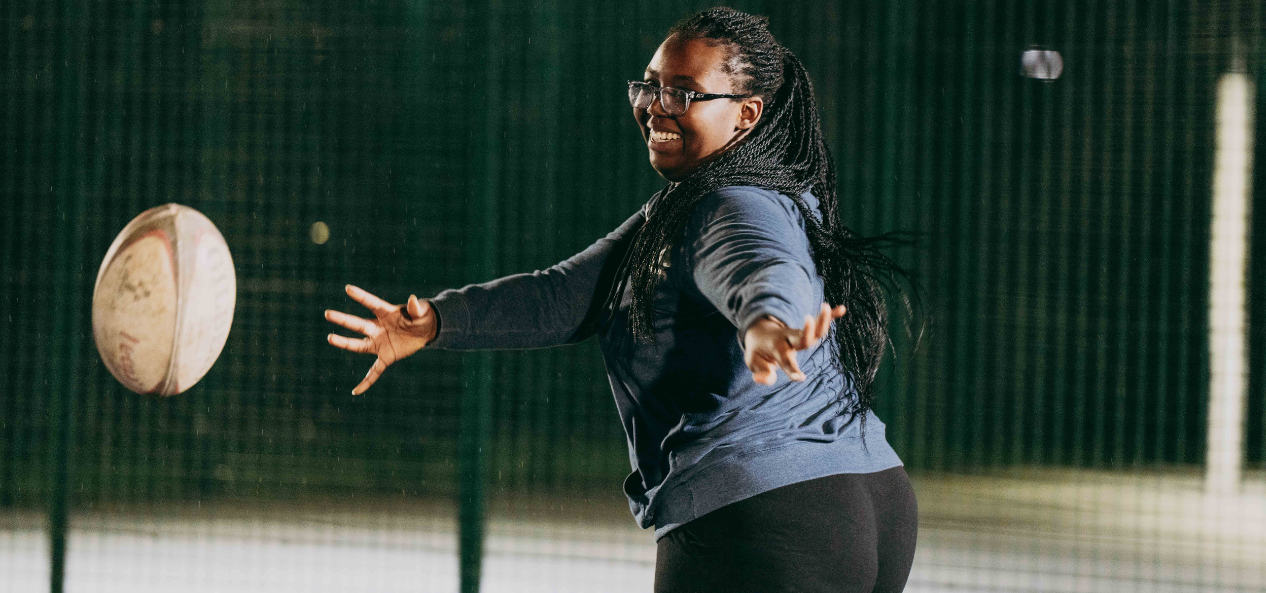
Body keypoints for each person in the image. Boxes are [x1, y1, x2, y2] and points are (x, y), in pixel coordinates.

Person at [324, 7, 918, 592]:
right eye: (651, 85)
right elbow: (565, 294)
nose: (656, 106)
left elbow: (760, 267)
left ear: (747, 114)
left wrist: (768, 324)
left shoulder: (731, 206)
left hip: (765, 520)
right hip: (866, 494)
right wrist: (438, 320)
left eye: (684, 93)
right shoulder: (708, 203)